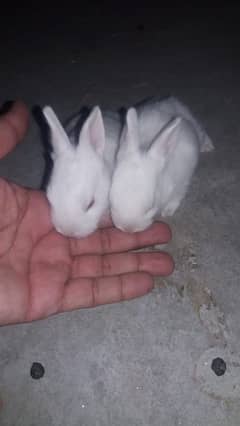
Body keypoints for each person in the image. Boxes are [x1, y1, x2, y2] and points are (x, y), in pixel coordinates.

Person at [0, 100, 174, 326]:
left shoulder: (115, 168)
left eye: (90, 203)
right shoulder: (64, 165)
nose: (64, 229)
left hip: (101, 133)